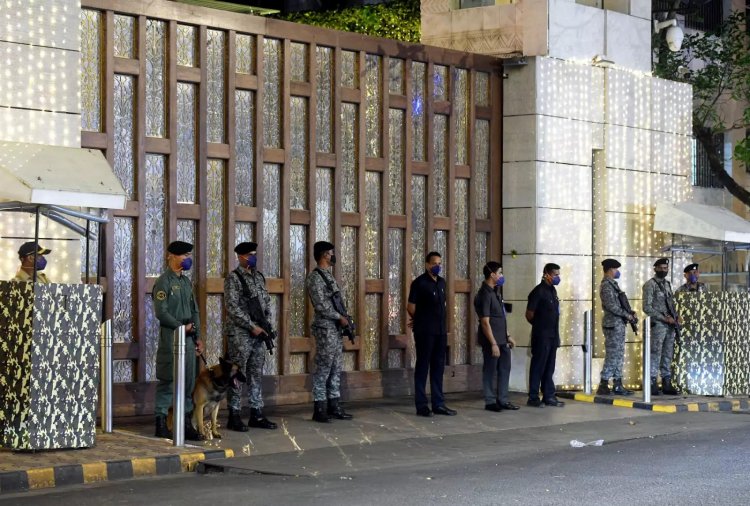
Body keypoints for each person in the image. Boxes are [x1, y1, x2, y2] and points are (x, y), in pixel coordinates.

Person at [153, 240, 204, 440]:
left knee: (188, 382)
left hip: (189, 339)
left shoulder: (185, 282)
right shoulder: (163, 282)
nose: (187, 259)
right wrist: (180, 327)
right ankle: (160, 421)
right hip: (171, 338)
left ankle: (185, 424)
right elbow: (161, 313)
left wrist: (198, 336)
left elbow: (194, 310)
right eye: (184, 255)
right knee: (168, 380)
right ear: (172, 256)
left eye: (189, 256)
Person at [224, 242, 277, 432]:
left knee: (256, 373)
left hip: (259, 334)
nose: (253, 258)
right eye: (249, 255)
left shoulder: (259, 277)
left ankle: (256, 412)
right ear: (240, 256)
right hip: (241, 334)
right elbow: (232, 307)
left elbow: (266, 304)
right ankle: (234, 414)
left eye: (254, 254)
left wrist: (267, 324)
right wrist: (251, 326)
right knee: (237, 374)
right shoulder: (234, 278)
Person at [306, 241, 353, 423]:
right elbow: (321, 305)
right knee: (324, 369)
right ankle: (319, 408)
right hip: (326, 328)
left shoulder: (328, 276)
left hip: (335, 329)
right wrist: (338, 317)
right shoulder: (315, 277)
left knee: (335, 368)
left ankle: (334, 405)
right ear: (325, 254)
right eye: (331, 253)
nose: (333, 256)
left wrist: (345, 319)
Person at [407, 251, 457, 417]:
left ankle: (438, 403)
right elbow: (411, 307)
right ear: (427, 265)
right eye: (435, 263)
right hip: (425, 332)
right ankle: (421, 405)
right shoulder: (419, 283)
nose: (438, 266)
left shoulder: (442, 282)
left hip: (440, 331)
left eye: (440, 263)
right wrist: (420, 319)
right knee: (423, 366)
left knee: (438, 366)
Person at [474, 262, 518, 412]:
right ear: (492, 275)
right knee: (490, 370)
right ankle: (490, 401)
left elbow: (500, 318)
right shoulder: (484, 294)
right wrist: (493, 343)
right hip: (492, 340)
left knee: (505, 369)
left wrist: (508, 336)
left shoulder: (495, 292)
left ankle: (503, 399)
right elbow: (485, 322)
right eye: (500, 273)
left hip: (502, 339)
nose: (501, 276)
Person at [525, 263, 564, 407]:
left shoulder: (552, 291)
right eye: (555, 275)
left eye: (558, 275)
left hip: (553, 335)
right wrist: (540, 327)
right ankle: (533, 397)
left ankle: (549, 395)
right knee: (538, 366)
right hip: (541, 336)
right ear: (546, 274)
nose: (557, 277)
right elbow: (529, 315)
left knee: (549, 367)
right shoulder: (538, 291)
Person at [597, 258, 636, 396]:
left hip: (618, 324)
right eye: (616, 269)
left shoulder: (613, 284)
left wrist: (629, 313)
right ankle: (604, 383)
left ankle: (618, 384)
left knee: (619, 354)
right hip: (612, 324)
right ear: (610, 270)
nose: (617, 272)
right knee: (613, 355)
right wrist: (626, 315)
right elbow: (611, 306)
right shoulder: (607, 286)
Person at [642, 258, 680, 396]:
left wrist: (676, 316)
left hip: (670, 325)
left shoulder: (667, 284)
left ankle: (666, 382)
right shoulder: (650, 285)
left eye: (666, 268)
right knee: (655, 353)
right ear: (655, 269)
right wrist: (664, 318)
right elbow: (646, 307)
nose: (664, 270)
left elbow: (670, 303)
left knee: (667, 354)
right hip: (658, 324)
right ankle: (652, 382)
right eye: (661, 268)